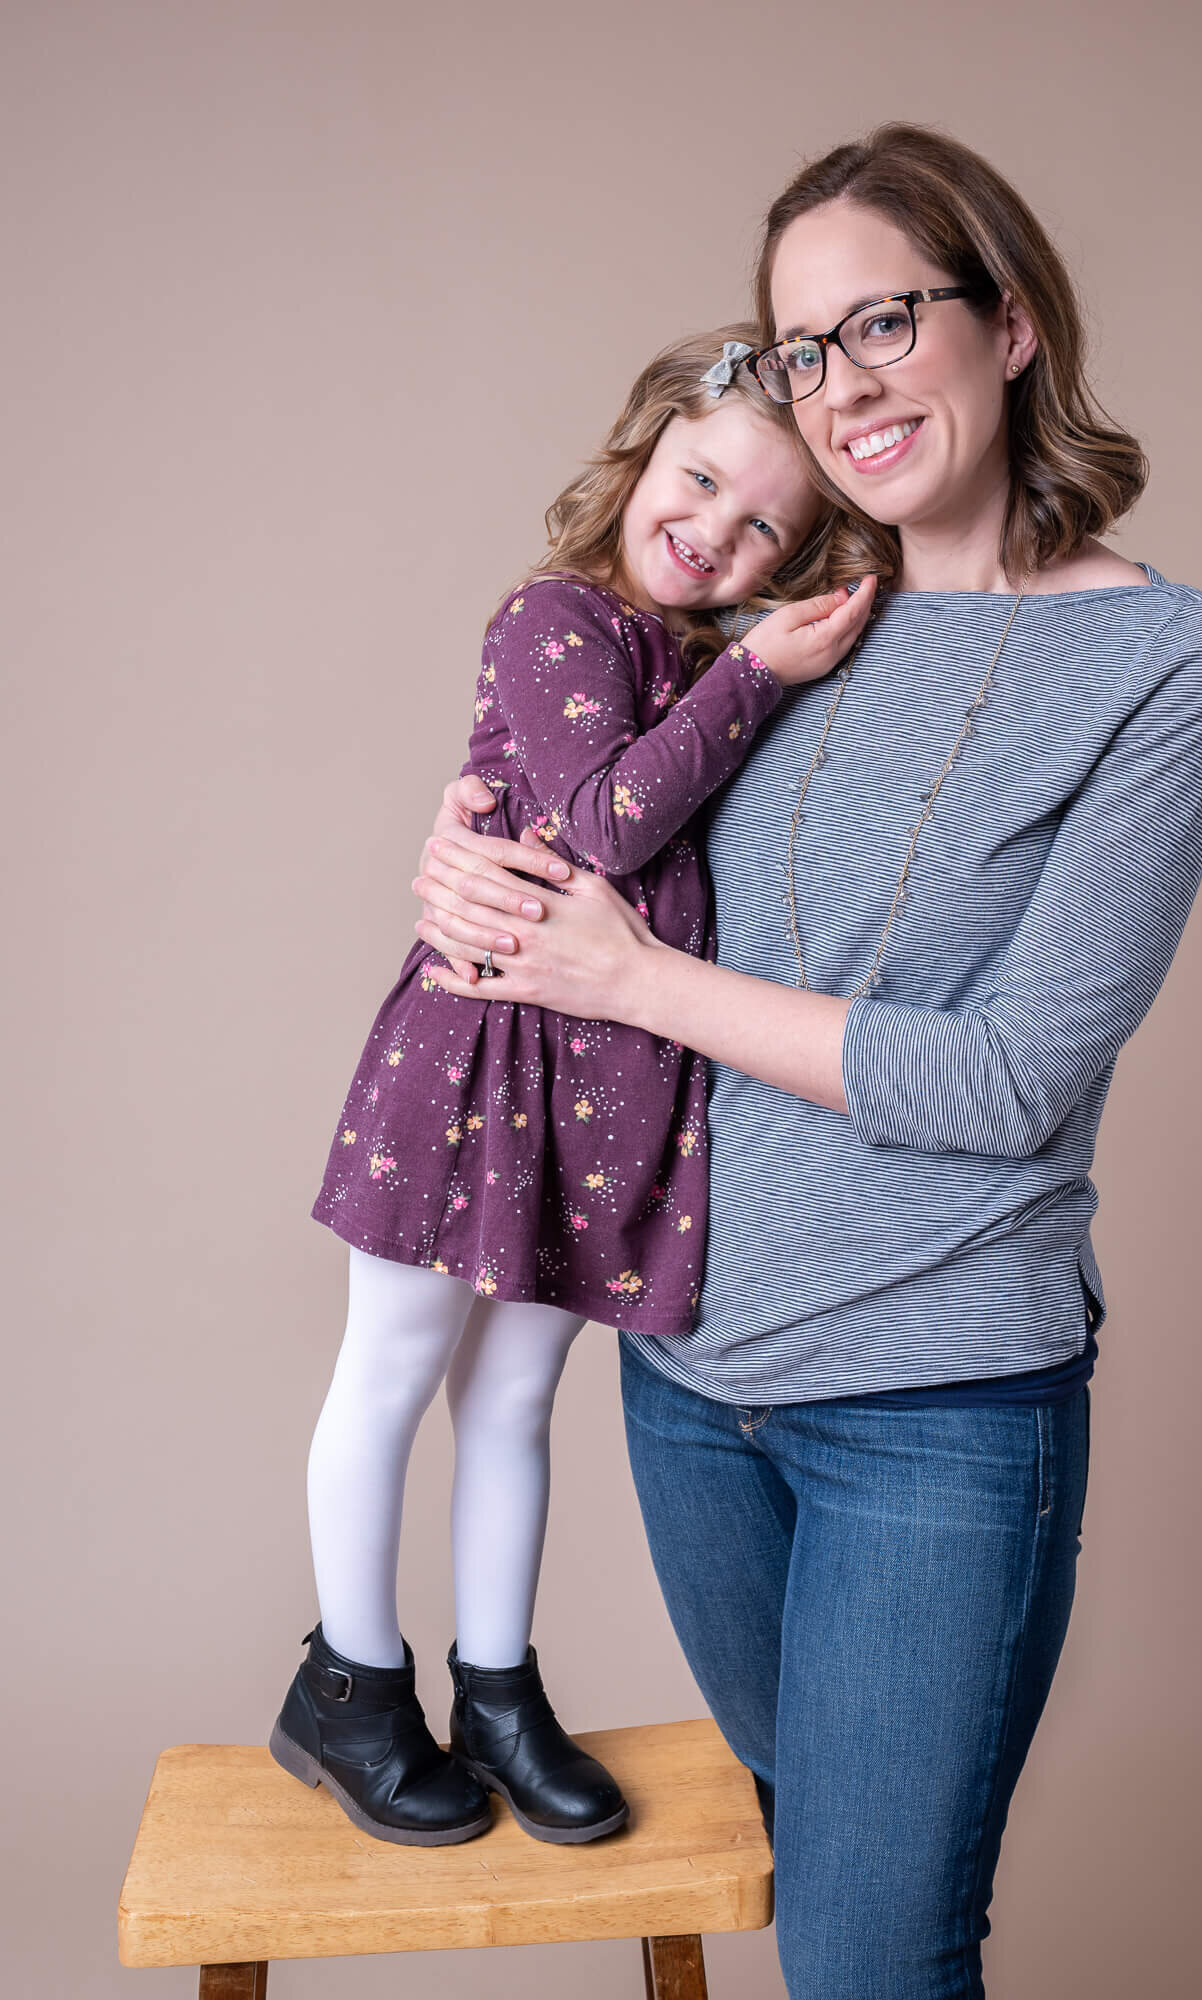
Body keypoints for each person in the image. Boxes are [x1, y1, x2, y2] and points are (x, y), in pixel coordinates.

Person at [411, 125, 1202, 1993]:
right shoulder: (778, 608)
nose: (846, 384)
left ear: (1013, 322)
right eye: (805, 349)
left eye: (885, 319)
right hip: (686, 1377)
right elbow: (583, 814)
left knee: (876, 1957)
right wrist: (468, 853)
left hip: (937, 1407)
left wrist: (628, 981)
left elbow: (1009, 1078)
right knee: (814, 1885)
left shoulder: (1172, 660)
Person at [272, 322, 877, 1850]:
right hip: (476, 1052)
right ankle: (348, 1684)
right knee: (394, 1374)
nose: (714, 530)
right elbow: (608, 824)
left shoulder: (705, 658)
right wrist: (755, 674)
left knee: (519, 1400)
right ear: (642, 448)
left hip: (602, 1092)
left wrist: (748, 671)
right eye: (698, 481)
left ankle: (498, 1692)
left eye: (763, 527)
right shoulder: (558, 617)